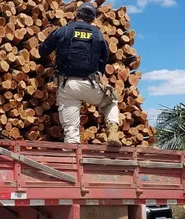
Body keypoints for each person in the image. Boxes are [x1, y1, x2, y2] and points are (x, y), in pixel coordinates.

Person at [38, 2, 122, 147]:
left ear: (76, 15)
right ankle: (113, 130)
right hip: (90, 84)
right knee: (111, 102)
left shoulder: (64, 30)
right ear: (94, 19)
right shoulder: (98, 35)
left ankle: (72, 161)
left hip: (68, 85)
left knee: (71, 131)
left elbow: (43, 50)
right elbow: (104, 58)